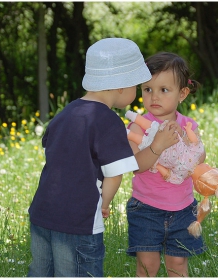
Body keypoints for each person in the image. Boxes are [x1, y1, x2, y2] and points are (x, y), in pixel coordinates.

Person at [27, 38, 152, 277]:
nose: (135, 92)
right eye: (136, 85)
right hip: (79, 220)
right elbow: (114, 175)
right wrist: (104, 204)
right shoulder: (108, 120)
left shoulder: (67, 113)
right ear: (120, 86)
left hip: (42, 213)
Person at [126, 52, 207, 277]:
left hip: (183, 209)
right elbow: (135, 165)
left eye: (164, 90)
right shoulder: (137, 128)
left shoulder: (188, 125)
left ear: (182, 94)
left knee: (178, 264)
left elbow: (200, 158)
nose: (154, 97)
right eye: (148, 89)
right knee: (147, 266)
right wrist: (157, 146)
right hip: (146, 209)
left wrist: (186, 143)